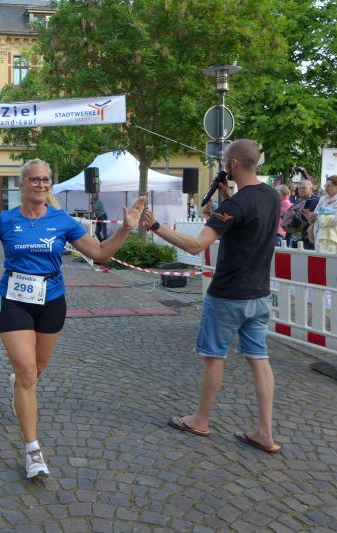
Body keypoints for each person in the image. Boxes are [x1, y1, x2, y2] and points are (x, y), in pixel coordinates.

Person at [0, 158, 145, 479]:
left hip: (51, 300)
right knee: (28, 372)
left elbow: (100, 253)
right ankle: (33, 451)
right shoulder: (5, 221)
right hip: (14, 299)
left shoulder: (62, 220)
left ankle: (19, 385)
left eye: (46, 180)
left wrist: (126, 228)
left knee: (36, 370)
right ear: (22, 184)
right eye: (35, 179)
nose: (41, 184)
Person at [144, 139, 282, 454]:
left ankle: (200, 419)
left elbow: (197, 246)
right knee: (259, 359)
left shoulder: (233, 206)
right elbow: (249, 220)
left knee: (214, 357)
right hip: (259, 293)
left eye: (224, 160)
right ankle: (265, 432)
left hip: (228, 294)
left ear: (233, 164)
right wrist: (228, 199)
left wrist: (156, 226)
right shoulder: (271, 196)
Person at [304, 175, 337, 254]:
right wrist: (310, 218)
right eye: (325, 185)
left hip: (333, 238)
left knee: (329, 260)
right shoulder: (322, 199)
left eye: (329, 186)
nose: (326, 188)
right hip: (319, 236)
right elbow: (316, 217)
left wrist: (318, 216)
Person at [281, 179, 319, 249]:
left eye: (304, 188)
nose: (301, 190)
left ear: (311, 189)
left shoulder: (315, 201)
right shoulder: (299, 200)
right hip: (294, 237)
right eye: (299, 188)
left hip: (307, 239)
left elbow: (305, 219)